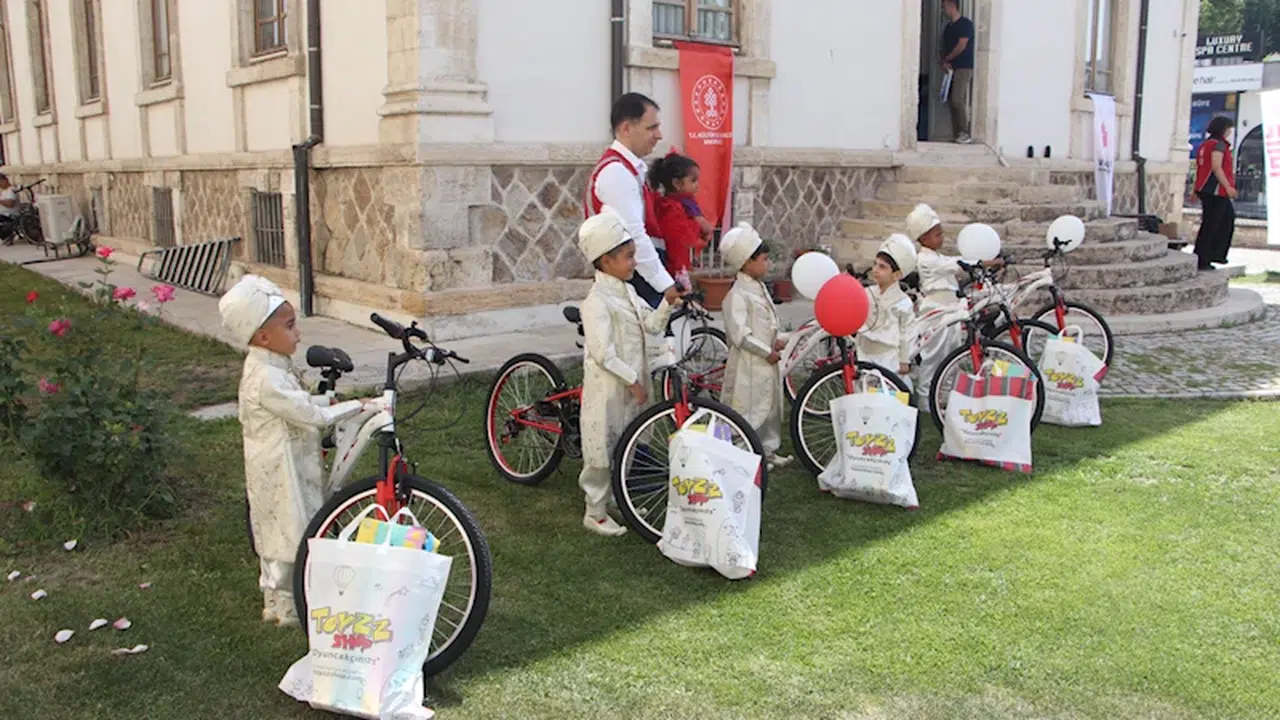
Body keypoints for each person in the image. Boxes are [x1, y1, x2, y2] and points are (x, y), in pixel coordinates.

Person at [219, 275, 368, 626]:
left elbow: (300, 403)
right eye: (289, 326)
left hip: (293, 460)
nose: (298, 334)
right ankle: (283, 603)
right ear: (262, 336)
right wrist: (357, 406)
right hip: (279, 468)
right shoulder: (266, 378)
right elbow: (309, 415)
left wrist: (326, 401)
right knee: (284, 531)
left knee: (298, 524)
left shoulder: (275, 366)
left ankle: (294, 596)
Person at [576, 206, 681, 536]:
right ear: (606, 261)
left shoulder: (629, 292)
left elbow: (650, 324)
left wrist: (667, 303)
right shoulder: (597, 302)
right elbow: (603, 353)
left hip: (633, 384)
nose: (634, 263)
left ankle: (617, 497)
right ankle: (594, 511)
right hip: (609, 389)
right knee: (601, 447)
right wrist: (632, 380)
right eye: (628, 257)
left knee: (626, 441)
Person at [585, 93, 682, 309]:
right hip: (636, 278)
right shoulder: (616, 173)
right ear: (627, 128)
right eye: (652, 128)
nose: (659, 135)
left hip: (640, 274)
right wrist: (665, 284)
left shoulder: (628, 169)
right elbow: (635, 234)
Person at [906, 204, 1001, 400]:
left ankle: (945, 391)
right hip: (937, 310)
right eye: (937, 235)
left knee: (950, 352)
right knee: (934, 356)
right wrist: (986, 262)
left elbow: (955, 260)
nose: (941, 238)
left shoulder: (936, 255)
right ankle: (925, 397)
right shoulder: (926, 259)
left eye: (941, 233)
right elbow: (957, 264)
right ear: (923, 239)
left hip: (950, 309)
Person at [719, 223, 792, 470]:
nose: (767, 264)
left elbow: (767, 322)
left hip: (767, 362)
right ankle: (744, 453)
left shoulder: (758, 288)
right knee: (748, 408)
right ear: (746, 263)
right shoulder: (737, 295)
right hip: (748, 364)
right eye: (763, 260)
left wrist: (776, 340)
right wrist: (765, 351)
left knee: (770, 408)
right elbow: (740, 334)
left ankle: (767, 451)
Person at [856, 234, 918, 386]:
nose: (875, 270)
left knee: (886, 390)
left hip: (888, 357)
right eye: (875, 264)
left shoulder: (902, 302)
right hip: (865, 352)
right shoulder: (867, 293)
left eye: (882, 267)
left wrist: (904, 360)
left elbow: (906, 333)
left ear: (897, 275)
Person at [649, 150, 713, 290]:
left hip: (675, 264)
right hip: (674, 266)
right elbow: (682, 239)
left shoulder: (675, 204)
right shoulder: (672, 208)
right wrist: (700, 235)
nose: (697, 185)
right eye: (693, 180)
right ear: (677, 183)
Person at [1192, 115, 1237, 271]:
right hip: (1215, 190)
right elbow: (1216, 167)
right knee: (1212, 224)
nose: (1230, 132)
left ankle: (1213, 254)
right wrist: (1228, 186)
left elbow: (1201, 168)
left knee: (1223, 220)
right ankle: (1204, 257)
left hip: (1206, 188)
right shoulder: (1218, 145)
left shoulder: (1205, 145)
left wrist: (1195, 189)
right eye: (1229, 129)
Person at [940, 0, 975, 144]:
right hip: (951, 68)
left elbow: (961, 45)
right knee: (950, 100)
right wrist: (943, 61)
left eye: (944, 7)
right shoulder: (948, 28)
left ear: (951, 6)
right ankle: (957, 134)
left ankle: (964, 132)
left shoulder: (965, 24)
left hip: (963, 67)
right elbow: (945, 47)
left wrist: (948, 58)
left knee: (957, 99)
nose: (943, 10)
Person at [0, 174, 19, 244]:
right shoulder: (4, 191)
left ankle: (6, 235)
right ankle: (5, 235)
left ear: (4, 181)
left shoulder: (11, 190)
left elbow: (10, 204)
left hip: (10, 215)